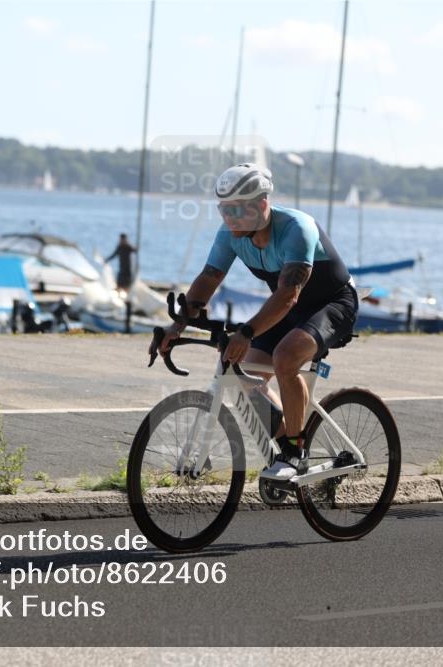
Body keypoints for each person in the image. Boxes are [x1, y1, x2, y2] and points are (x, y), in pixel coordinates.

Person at [152, 163, 359, 481]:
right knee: (242, 373)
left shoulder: (297, 228)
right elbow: (209, 279)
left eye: (237, 209)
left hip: (332, 304)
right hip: (286, 310)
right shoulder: (231, 235)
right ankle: (285, 436)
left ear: (262, 205)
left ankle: (295, 452)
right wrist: (177, 326)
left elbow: (289, 294)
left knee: (285, 358)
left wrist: (247, 331)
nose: (228, 218)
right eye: (224, 209)